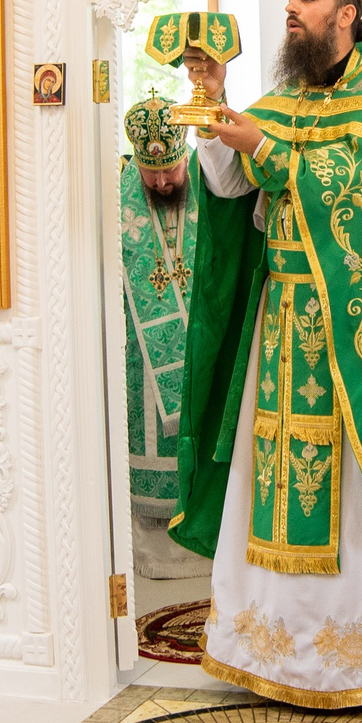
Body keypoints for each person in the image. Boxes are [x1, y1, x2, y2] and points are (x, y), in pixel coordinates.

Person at [169, 0, 362, 707]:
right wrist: (214, 108)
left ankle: (361, 653)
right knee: (268, 473)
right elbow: (234, 184)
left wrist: (261, 147)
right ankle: (272, 643)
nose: (291, 9)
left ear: (348, 12)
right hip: (282, 322)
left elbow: (351, 191)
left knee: (356, 489)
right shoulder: (284, 99)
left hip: (354, 336)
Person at [121, 95, 207, 578]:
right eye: (149, 172)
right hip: (141, 357)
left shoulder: (210, 185)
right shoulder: (121, 198)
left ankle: (203, 544)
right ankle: (154, 554)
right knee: (149, 439)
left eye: (170, 169)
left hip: (200, 338)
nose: (160, 181)